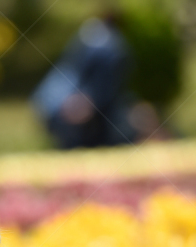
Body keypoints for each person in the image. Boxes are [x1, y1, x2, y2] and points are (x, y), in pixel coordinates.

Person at [32, 13, 134, 149]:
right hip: (66, 106)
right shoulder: (110, 47)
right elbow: (100, 92)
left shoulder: (88, 37)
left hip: (52, 102)